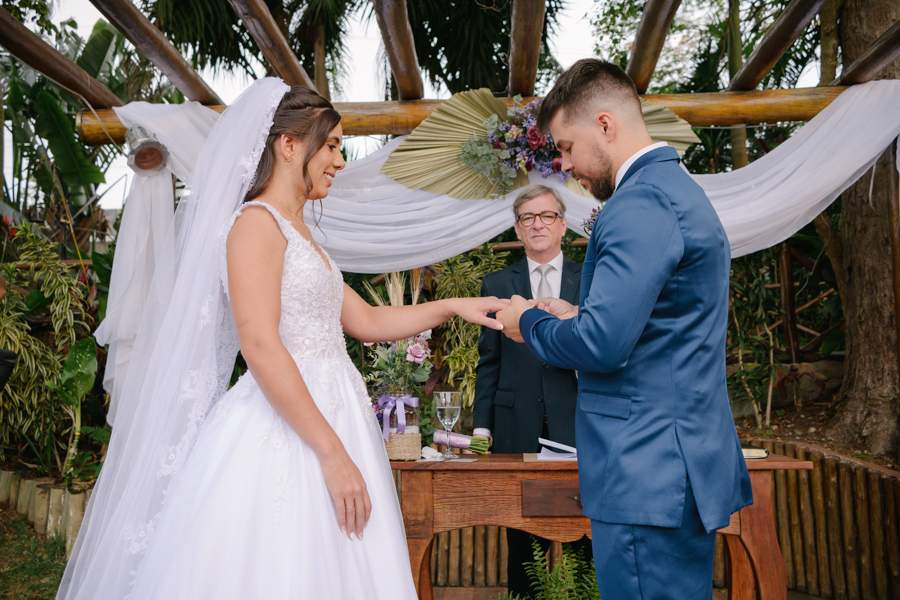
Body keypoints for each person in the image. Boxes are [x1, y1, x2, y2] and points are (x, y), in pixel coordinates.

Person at [57, 79, 508, 599]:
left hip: (336, 410)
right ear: (288, 144)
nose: (339, 160)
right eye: (333, 145)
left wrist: (453, 306)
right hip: (289, 427)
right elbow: (260, 344)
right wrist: (333, 455)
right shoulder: (255, 225)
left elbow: (366, 321)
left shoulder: (300, 234)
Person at [496, 59, 753, 600]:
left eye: (565, 146)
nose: (564, 165)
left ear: (605, 125)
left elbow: (601, 346)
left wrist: (531, 320)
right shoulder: (673, 189)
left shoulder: (639, 202)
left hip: (645, 467)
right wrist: (578, 315)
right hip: (671, 460)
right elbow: (656, 325)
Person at [472, 184, 589, 597]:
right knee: (522, 542)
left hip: (577, 422)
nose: (537, 224)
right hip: (514, 423)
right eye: (528, 218)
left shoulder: (589, 276)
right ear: (518, 230)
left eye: (547, 216)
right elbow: (489, 362)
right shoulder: (497, 281)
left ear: (562, 225)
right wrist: (481, 429)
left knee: (585, 538)